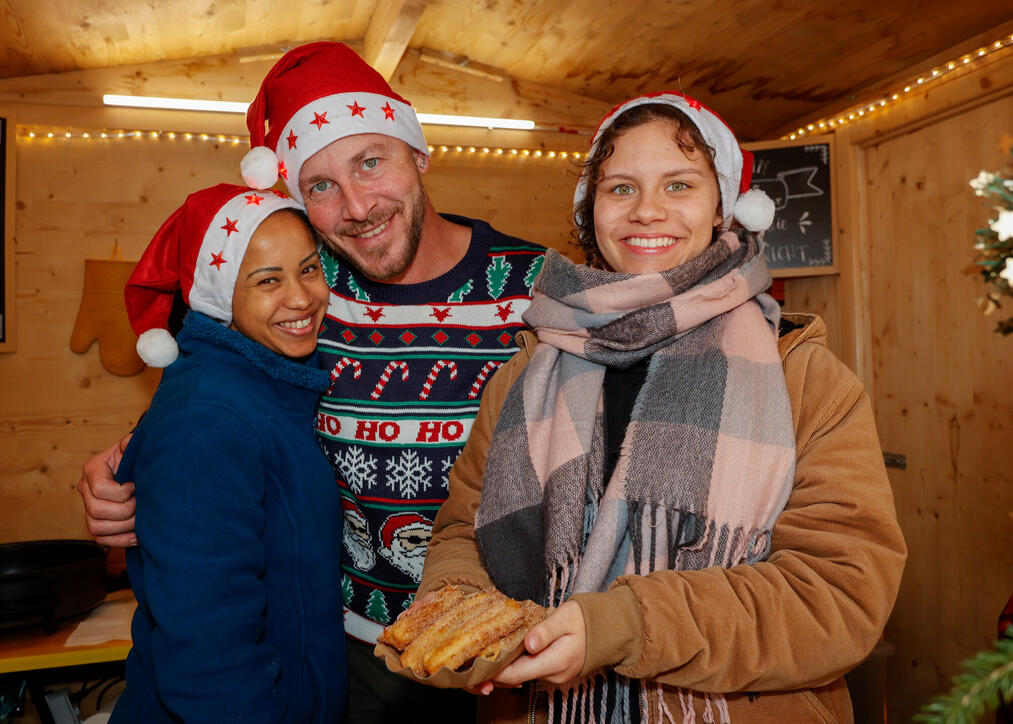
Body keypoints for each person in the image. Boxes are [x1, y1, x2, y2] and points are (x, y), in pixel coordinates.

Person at [77, 42, 545, 722]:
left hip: (509, 656)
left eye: (371, 162)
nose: (356, 206)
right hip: (350, 657)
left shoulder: (539, 290)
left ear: (418, 153)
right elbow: (216, 418)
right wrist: (119, 469)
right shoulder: (309, 295)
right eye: (320, 186)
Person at [416, 92, 907, 723]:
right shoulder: (524, 374)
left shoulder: (806, 381)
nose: (647, 211)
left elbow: (838, 596)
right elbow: (462, 529)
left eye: (678, 184)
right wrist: (454, 612)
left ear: (722, 208)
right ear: (590, 212)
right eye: (620, 188)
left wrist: (626, 624)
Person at [108, 183, 346, 723]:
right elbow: (205, 647)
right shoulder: (206, 419)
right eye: (267, 281)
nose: (302, 298)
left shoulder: (272, 385)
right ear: (219, 297)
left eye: (308, 269)